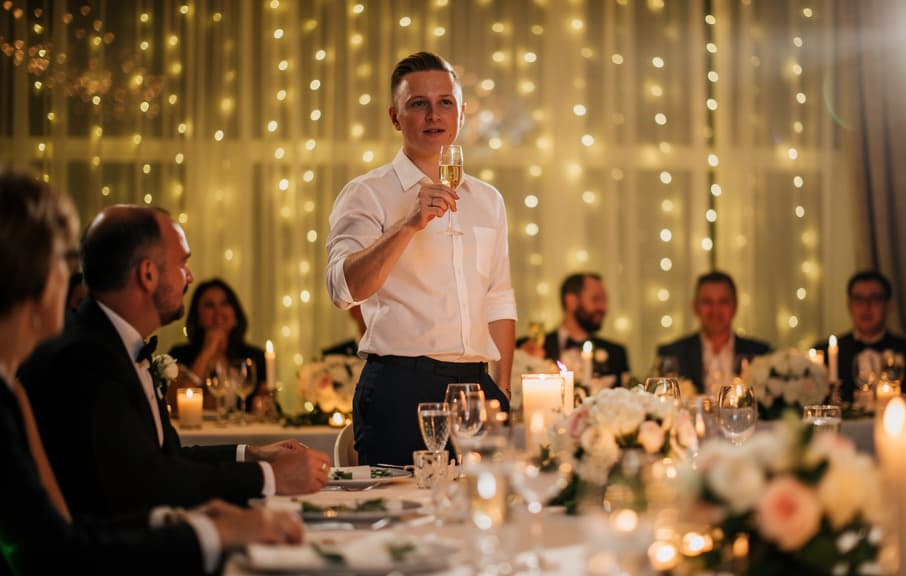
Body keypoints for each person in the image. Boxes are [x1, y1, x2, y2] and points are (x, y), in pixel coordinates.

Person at [0, 171, 303, 575]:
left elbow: (147, 468)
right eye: (64, 263)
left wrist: (237, 478)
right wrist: (215, 531)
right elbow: (65, 538)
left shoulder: (105, 349)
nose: (75, 281)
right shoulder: (83, 359)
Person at [19, 203, 331, 519]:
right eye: (182, 263)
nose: (190, 276)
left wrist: (252, 455)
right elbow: (143, 486)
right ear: (148, 273)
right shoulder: (86, 359)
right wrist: (271, 478)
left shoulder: (114, 345)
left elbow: (166, 459)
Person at [325, 52, 516, 466]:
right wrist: (408, 224)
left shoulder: (489, 200)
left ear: (462, 113)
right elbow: (343, 290)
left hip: (476, 392)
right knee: (399, 520)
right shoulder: (367, 193)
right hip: (400, 391)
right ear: (396, 117)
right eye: (418, 104)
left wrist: (500, 391)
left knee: (482, 516)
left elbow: (499, 299)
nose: (434, 115)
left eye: (445, 102)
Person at [812, 271, 906, 401]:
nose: (866, 307)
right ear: (849, 306)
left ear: (888, 305)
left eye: (875, 299)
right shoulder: (825, 354)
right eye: (859, 299)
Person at [657, 271, 772, 394]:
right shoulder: (673, 354)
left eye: (723, 302)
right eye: (707, 302)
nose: (715, 310)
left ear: (735, 306)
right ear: (695, 307)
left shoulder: (760, 354)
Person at [169, 278, 268, 410]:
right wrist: (206, 352)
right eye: (209, 305)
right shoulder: (180, 355)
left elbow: (266, 408)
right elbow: (175, 405)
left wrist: (263, 404)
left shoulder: (255, 357)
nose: (218, 312)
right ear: (197, 316)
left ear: (235, 313)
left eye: (224, 303)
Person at [527, 273, 630, 388]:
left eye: (605, 301)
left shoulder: (616, 353)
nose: (603, 308)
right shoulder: (533, 348)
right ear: (571, 301)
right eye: (595, 299)